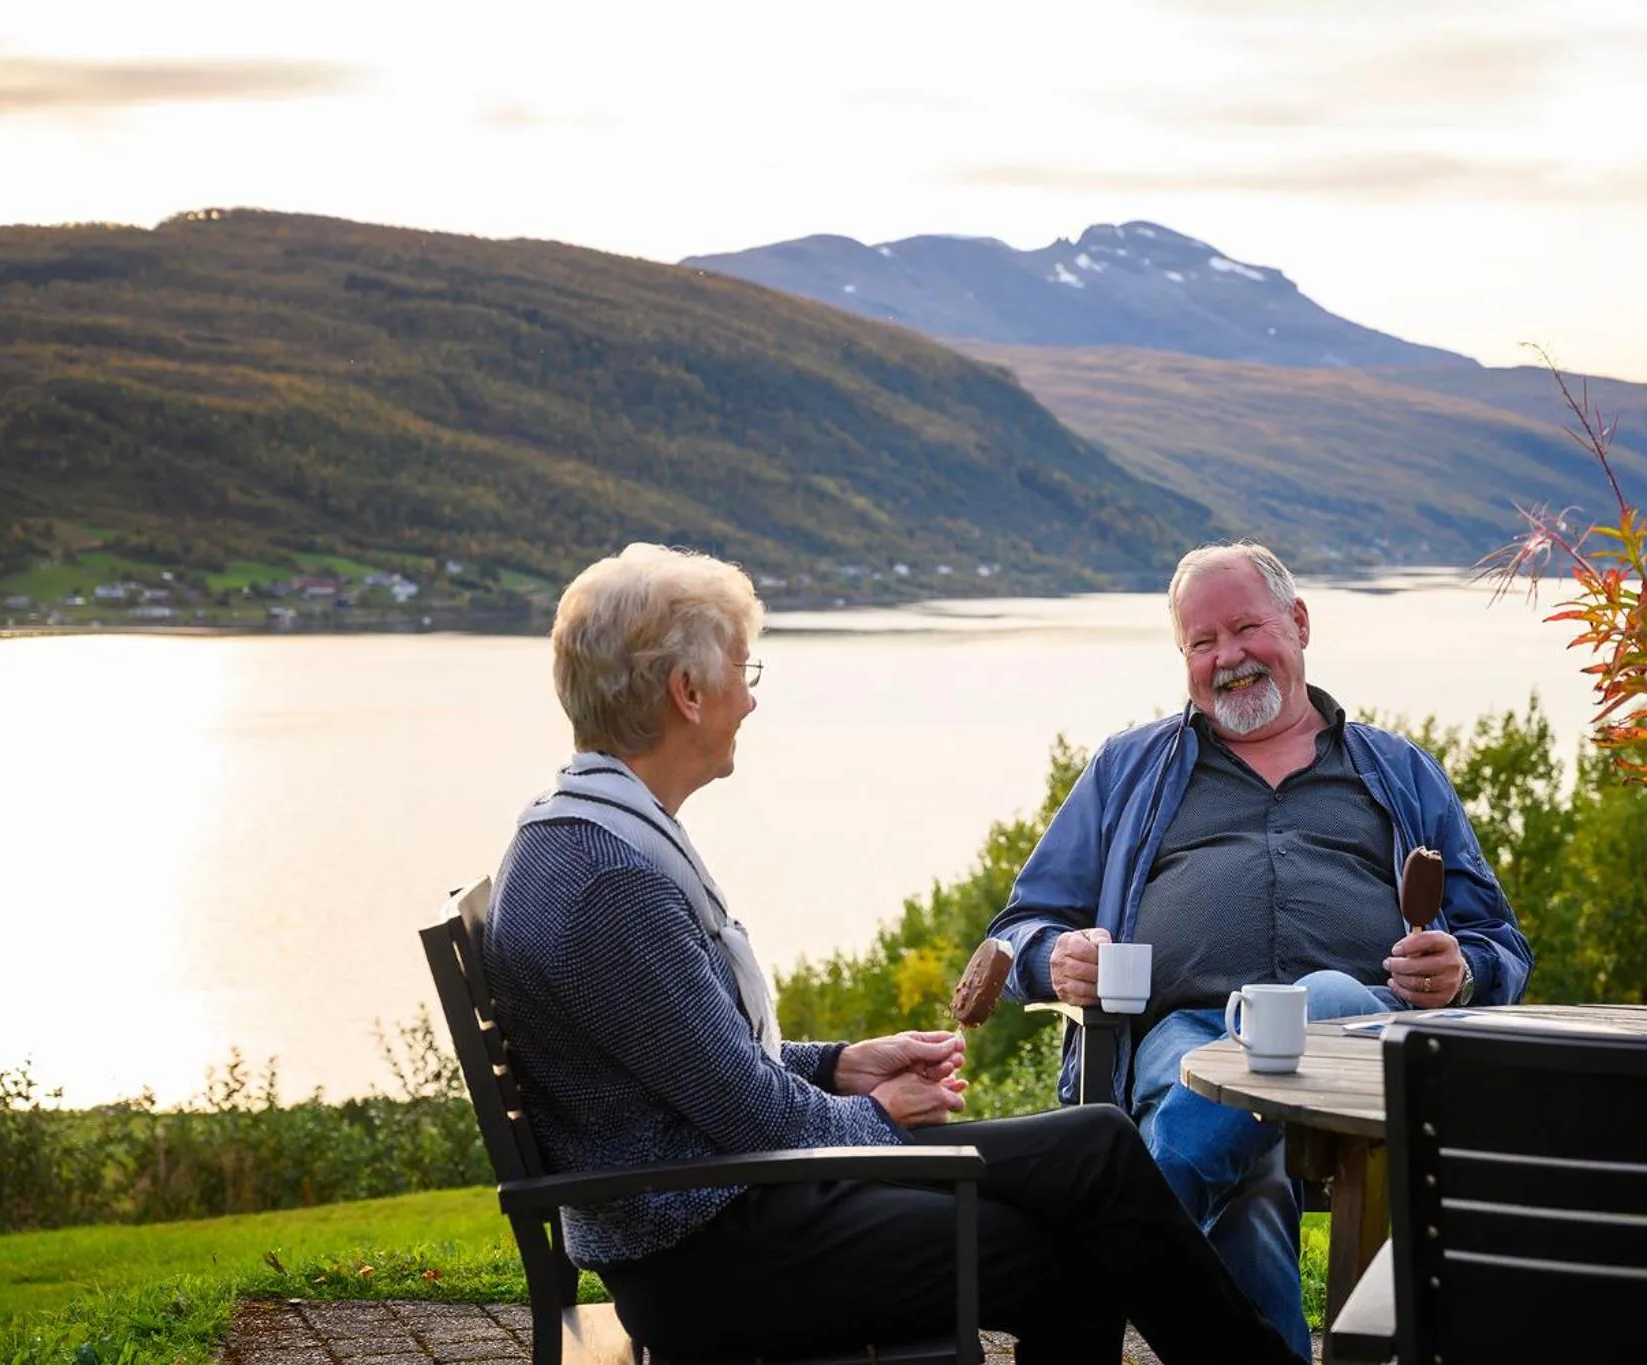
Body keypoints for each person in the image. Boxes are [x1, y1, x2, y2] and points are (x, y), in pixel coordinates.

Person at [484, 542, 1303, 1365]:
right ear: (687, 693)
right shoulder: (611, 879)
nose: (751, 701)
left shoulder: (589, 837)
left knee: (1096, 1142)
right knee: (1073, 1239)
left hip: (728, 1205)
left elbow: (699, 1066)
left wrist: (844, 1062)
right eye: (744, 672)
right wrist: (880, 1114)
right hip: (711, 1250)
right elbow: (757, 1118)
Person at [986, 541, 1534, 1357]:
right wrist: (1053, 954)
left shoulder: (1397, 770)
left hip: (1358, 1036)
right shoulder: (1127, 768)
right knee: (1246, 1191)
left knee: (1322, 997)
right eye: (1202, 643)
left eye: (1245, 628)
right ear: (1184, 659)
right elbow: (1019, 925)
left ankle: (1111, 1244)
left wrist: (1463, 969)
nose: (1228, 657)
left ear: (1300, 622)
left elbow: (1500, 945)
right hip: (1183, 1033)